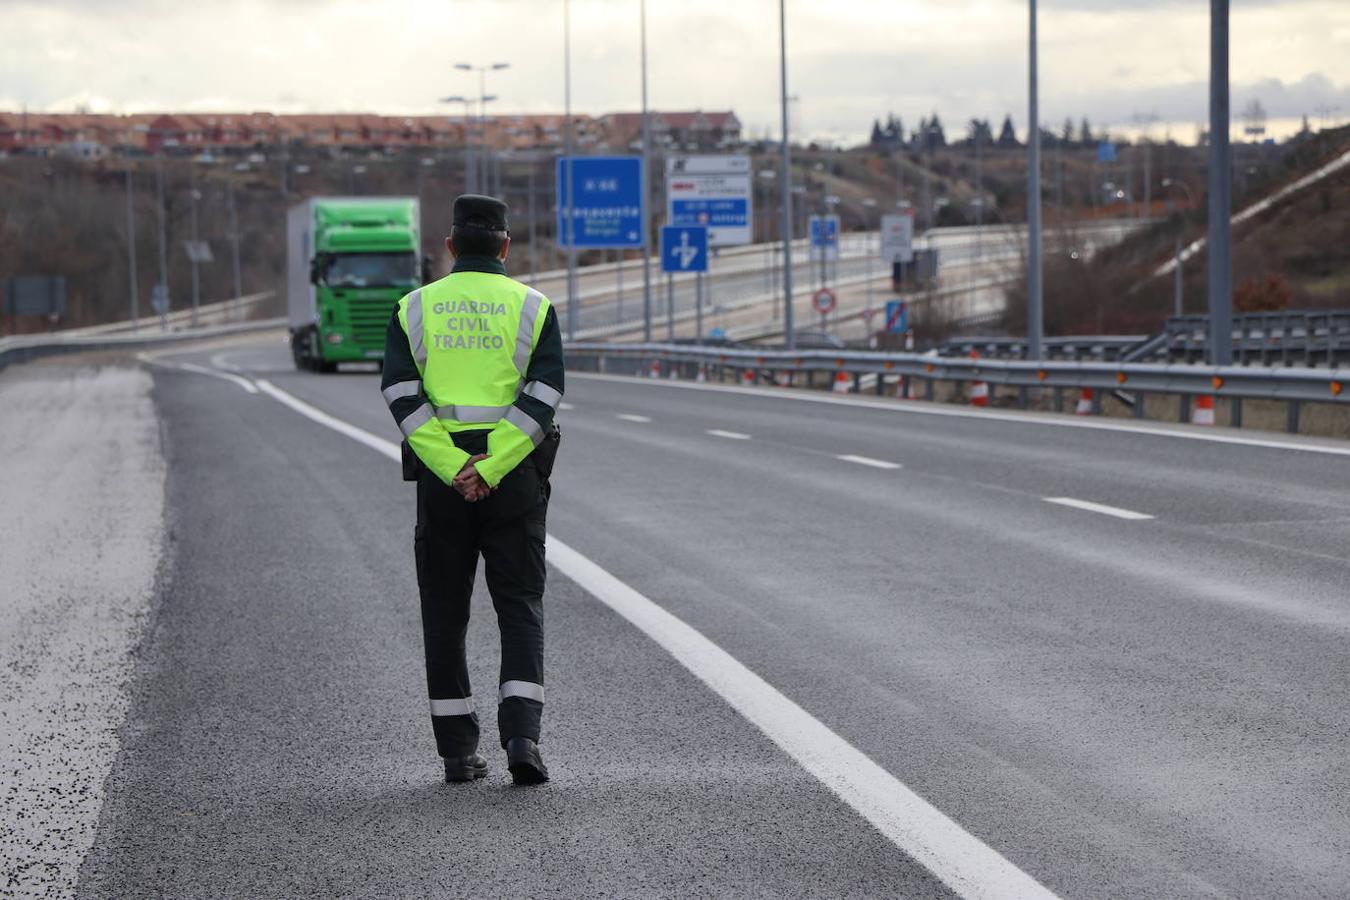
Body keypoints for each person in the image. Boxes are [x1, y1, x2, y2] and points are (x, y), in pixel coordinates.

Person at [380, 194, 563, 785]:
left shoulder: (414, 308)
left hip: (442, 484)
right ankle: (522, 740)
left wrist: (452, 465)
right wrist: (490, 466)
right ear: (506, 246)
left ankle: (458, 752)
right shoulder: (533, 308)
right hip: (512, 480)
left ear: (451, 246)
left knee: (444, 612)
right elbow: (544, 394)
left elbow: (401, 395)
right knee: (519, 608)